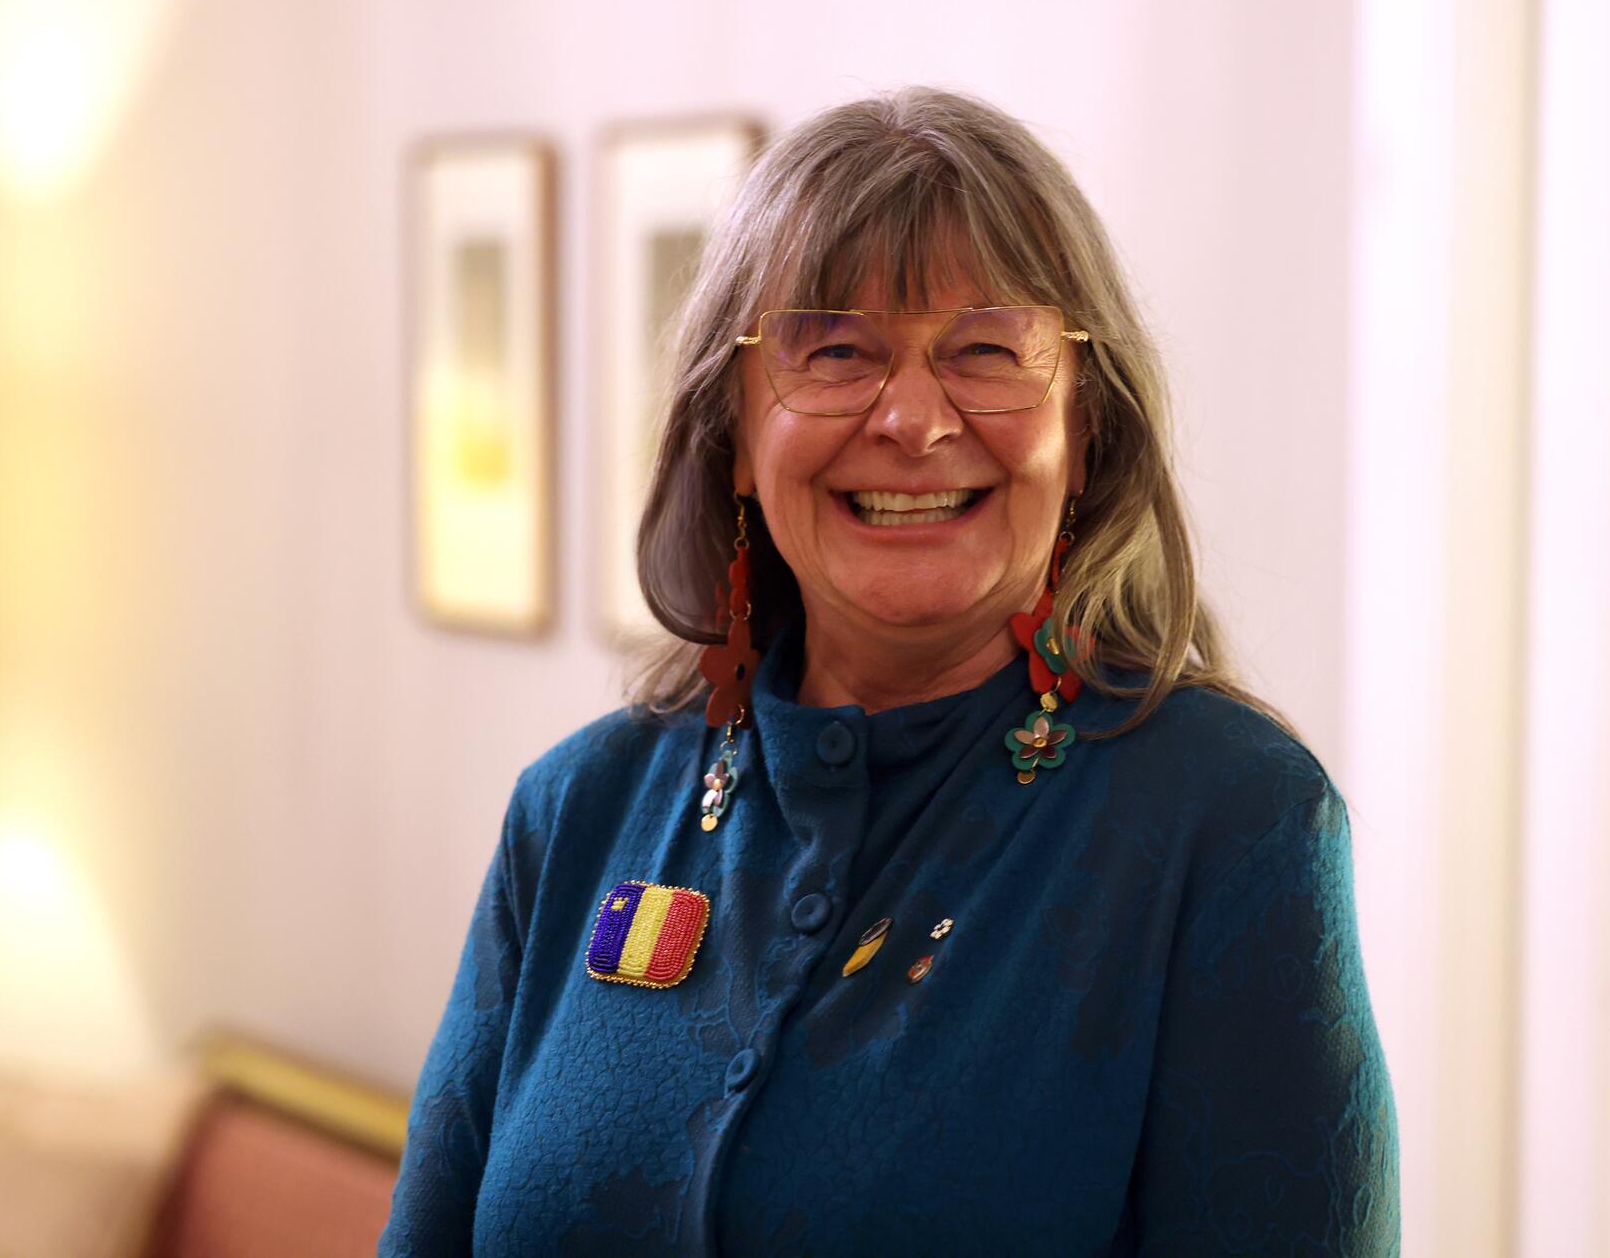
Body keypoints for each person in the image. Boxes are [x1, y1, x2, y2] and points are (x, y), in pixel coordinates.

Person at [379, 86, 1399, 1256]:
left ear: (1087, 431)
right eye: (835, 351)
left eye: (984, 349)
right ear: (735, 434)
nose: (912, 418)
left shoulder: (1225, 824)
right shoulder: (575, 813)